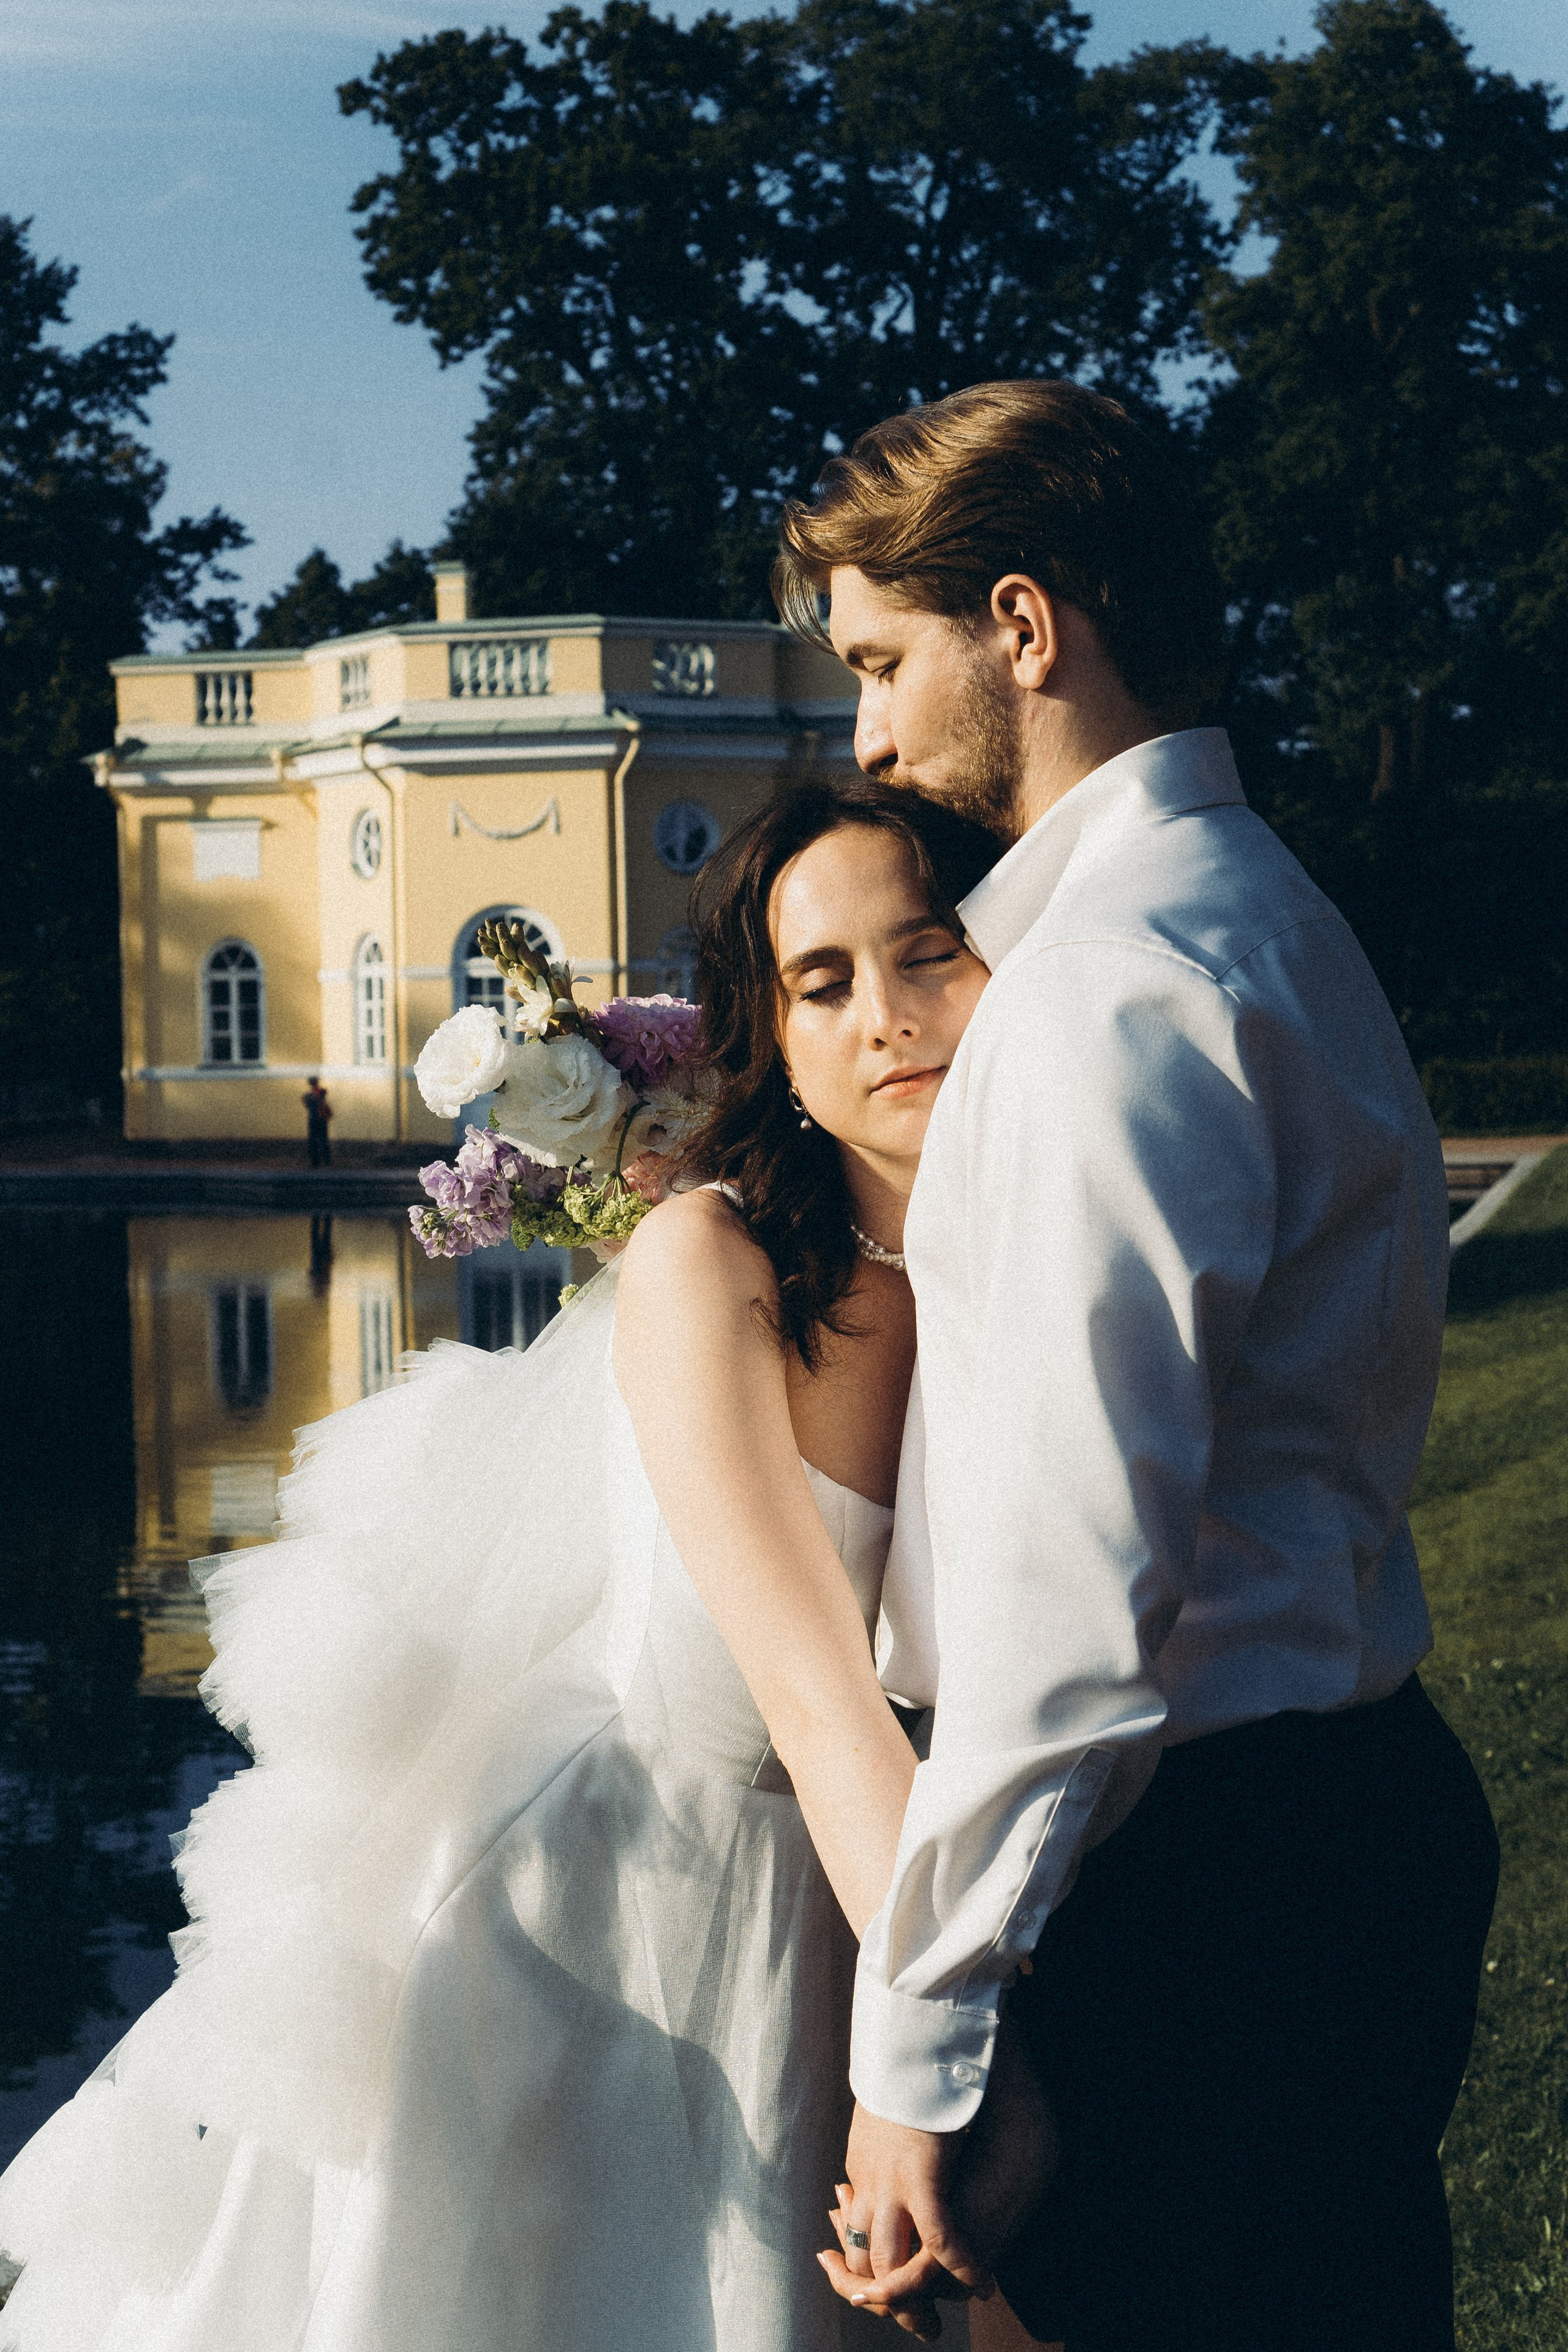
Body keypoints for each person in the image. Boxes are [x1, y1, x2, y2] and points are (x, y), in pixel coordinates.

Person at [0, 778, 1021, 2352]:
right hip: (588, 1926)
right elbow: (822, 1708)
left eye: (927, 952)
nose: (884, 1016)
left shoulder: (1013, 1260)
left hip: (833, 1901)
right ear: (775, 1042)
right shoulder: (709, 1261)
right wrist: (970, 2052)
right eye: (822, 982)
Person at [777, 382, 1500, 2351]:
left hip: (1204, 1884)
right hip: (1346, 1803)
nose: (864, 736)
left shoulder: (1106, 990)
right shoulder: (1276, 916)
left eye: (880, 662)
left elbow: (1068, 1595)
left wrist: (916, 2050)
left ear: (1022, 625)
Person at [302, 1074, 333, 1168]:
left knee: (318, 1141)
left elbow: (309, 1103)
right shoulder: (313, 1094)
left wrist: (309, 1098)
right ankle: (322, 1162)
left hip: (317, 1119)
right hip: (319, 1119)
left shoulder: (319, 1093)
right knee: (319, 1141)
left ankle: (319, 1162)